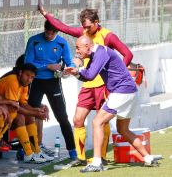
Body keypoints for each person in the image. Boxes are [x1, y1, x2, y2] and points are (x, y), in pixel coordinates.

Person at [38, 0, 133, 165]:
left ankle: (101, 157)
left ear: (97, 22)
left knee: (101, 121)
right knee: (77, 120)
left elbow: (128, 54)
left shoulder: (108, 36)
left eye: (89, 26)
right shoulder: (84, 33)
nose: (85, 30)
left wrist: (118, 75)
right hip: (87, 83)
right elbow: (63, 27)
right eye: (84, 27)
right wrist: (45, 14)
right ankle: (80, 158)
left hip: (104, 86)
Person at [64, 35, 161, 172]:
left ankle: (97, 162)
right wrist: (76, 72)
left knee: (97, 122)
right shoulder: (96, 54)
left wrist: (77, 69)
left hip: (122, 92)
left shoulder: (100, 52)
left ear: (88, 46)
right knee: (123, 130)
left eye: (78, 48)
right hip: (130, 92)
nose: (77, 52)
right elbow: (87, 75)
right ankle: (148, 158)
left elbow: (90, 75)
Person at [25, 20, 77, 159]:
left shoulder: (62, 43)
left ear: (56, 32)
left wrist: (68, 69)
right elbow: (27, 63)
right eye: (46, 32)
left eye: (51, 33)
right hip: (35, 81)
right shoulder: (34, 40)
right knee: (31, 113)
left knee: (62, 117)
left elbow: (69, 61)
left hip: (53, 82)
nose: (48, 36)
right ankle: (30, 149)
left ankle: (72, 150)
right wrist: (47, 66)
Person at [0, 63, 53, 163]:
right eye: (27, 75)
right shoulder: (12, 81)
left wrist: (37, 110)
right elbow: (13, 107)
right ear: (20, 73)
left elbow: (23, 104)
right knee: (21, 117)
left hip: (6, 110)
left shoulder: (24, 84)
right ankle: (28, 154)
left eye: (32, 77)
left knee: (30, 117)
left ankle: (36, 151)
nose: (29, 80)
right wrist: (35, 113)